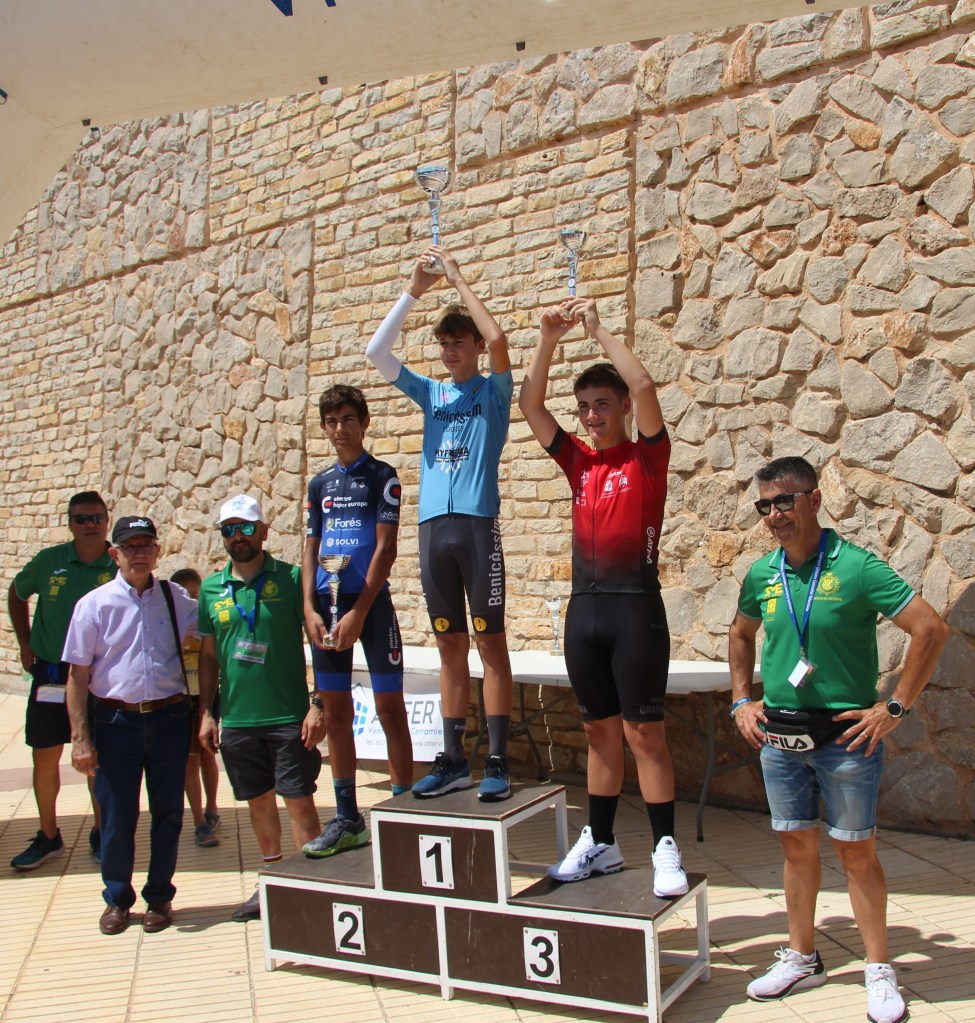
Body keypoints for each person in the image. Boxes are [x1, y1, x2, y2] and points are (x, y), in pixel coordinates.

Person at [728, 456, 949, 1023]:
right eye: (764, 506)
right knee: (795, 847)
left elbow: (930, 627)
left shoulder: (855, 567)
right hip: (780, 738)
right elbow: (740, 634)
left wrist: (894, 707)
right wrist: (741, 700)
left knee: (856, 852)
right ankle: (803, 957)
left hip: (845, 740)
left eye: (785, 501)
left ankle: (878, 970)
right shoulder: (762, 573)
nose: (774, 515)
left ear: (815, 499)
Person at [518, 297, 688, 899]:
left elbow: (643, 384)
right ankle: (602, 841)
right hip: (584, 612)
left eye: (602, 405)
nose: (592, 416)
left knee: (645, 734)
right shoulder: (579, 463)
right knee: (598, 733)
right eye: (585, 407)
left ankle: (664, 846)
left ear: (622, 409)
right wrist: (547, 338)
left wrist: (597, 330)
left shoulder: (648, 458)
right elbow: (530, 405)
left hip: (634, 608)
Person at [366, 244, 515, 802]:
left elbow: (499, 340)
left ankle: (497, 759)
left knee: (490, 644)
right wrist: (413, 291)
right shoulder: (431, 393)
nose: (451, 351)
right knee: (450, 646)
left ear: (473, 346)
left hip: (476, 527)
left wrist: (456, 278)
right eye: (444, 343)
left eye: (459, 342)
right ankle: (453, 759)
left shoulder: (492, 391)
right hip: (433, 530)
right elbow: (376, 352)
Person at [64, 516, 198, 935]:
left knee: (168, 813)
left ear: (157, 551)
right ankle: (118, 898)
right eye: (130, 546)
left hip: (169, 718)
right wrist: (81, 738)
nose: (138, 553)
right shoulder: (94, 605)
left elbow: (210, 638)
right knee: (117, 817)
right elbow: (77, 676)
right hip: (115, 721)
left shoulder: (177, 600)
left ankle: (159, 896)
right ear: (115, 554)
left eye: (145, 545)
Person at [198, 494, 324, 922]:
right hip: (237, 720)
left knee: (300, 803)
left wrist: (319, 703)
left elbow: (318, 642)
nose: (238, 536)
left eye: (247, 527)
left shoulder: (291, 578)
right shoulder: (210, 589)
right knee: (258, 804)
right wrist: (207, 712)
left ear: (264, 531)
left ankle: (312, 885)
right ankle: (271, 883)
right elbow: (208, 658)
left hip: (289, 717)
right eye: (229, 529)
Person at [302, 385, 413, 857]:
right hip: (327, 606)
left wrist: (360, 611)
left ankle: (404, 812)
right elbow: (310, 548)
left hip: (371, 606)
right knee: (336, 713)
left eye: (348, 419)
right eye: (331, 421)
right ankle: (347, 817)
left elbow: (386, 550)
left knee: (390, 710)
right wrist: (308, 608)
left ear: (364, 422)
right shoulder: (319, 485)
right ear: (324, 427)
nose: (340, 429)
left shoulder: (382, 476)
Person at [7, 490, 114, 870]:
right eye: (82, 518)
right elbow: (16, 594)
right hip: (52, 675)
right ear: (70, 523)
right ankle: (49, 835)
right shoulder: (48, 562)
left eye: (97, 518)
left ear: (106, 521)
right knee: (44, 754)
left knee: (96, 758)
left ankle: (101, 832)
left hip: (99, 679)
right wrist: (24, 642)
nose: (90, 525)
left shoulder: (117, 563)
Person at [170, 568, 221, 848]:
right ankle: (199, 820)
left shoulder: (208, 618)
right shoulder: (171, 621)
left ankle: (213, 808)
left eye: (196, 595)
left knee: (207, 754)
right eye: (186, 596)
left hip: (208, 694)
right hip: (181, 695)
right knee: (189, 759)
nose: (191, 600)